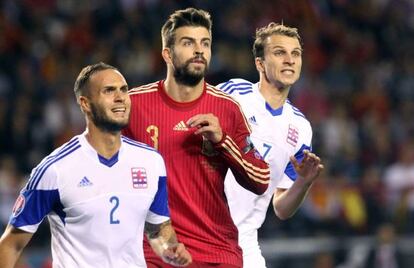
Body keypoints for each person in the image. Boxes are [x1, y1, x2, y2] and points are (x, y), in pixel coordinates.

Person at [0, 62, 192, 268]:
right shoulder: (55, 169)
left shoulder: (151, 162)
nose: (120, 97)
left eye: (123, 90)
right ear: (85, 103)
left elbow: (157, 229)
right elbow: (10, 245)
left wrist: (169, 248)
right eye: (109, 91)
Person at [123, 8, 270, 268]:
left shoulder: (227, 108)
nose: (199, 50)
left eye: (205, 43)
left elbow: (261, 180)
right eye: (188, 43)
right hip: (155, 254)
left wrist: (223, 141)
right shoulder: (133, 106)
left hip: (217, 252)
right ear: (167, 54)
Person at [217, 23, 324, 267]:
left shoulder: (300, 127)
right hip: (200, 234)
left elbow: (282, 208)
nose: (289, 60)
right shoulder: (233, 94)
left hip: (245, 244)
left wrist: (304, 182)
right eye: (279, 52)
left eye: (295, 53)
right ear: (260, 63)